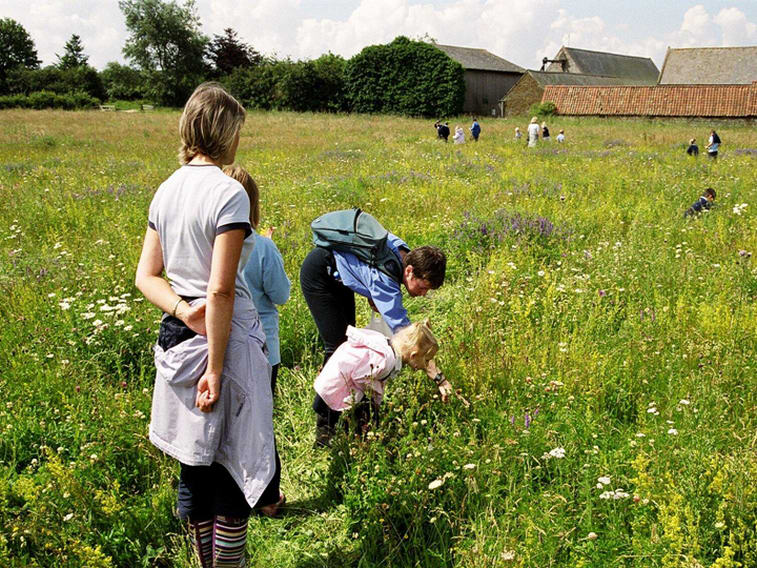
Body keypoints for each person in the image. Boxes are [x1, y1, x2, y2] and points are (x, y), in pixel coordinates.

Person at [135, 82, 282, 568]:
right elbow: (220, 290)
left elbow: (146, 276)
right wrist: (216, 369)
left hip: (177, 337)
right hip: (225, 341)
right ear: (226, 133)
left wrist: (181, 310)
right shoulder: (229, 192)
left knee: (195, 467)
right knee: (232, 473)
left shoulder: (166, 189)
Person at [299, 214, 451, 441]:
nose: (423, 294)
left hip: (337, 273)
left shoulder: (403, 252)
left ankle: (357, 417)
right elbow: (410, 340)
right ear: (409, 271)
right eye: (423, 287)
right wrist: (439, 378)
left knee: (347, 344)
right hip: (320, 274)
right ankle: (325, 426)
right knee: (338, 347)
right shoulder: (387, 279)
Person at [312, 321, 443, 446]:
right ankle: (329, 441)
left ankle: (354, 434)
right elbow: (360, 375)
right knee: (330, 416)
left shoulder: (389, 349)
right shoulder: (386, 360)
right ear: (414, 355)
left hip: (338, 378)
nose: (426, 365)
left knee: (357, 412)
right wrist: (373, 391)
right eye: (426, 360)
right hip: (338, 385)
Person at [225, 165, 291, 395]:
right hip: (262, 345)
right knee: (259, 419)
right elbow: (281, 295)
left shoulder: (208, 243)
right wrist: (270, 246)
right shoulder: (263, 247)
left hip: (220, 343)